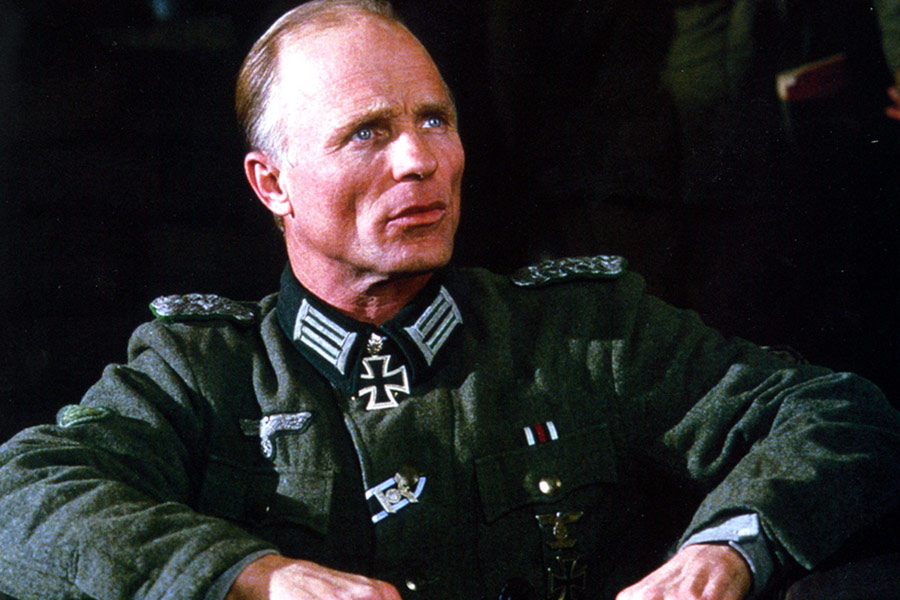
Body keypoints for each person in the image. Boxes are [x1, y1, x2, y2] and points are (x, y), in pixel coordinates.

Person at [0, 1, 898, 599]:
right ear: (272, 184)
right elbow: (23, 497)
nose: (420, 160)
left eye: (435, 119)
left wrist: (729, 548)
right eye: (367, 133)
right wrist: (254, 575)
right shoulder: (204, 372)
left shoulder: (585, 335)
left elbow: (839, 414)